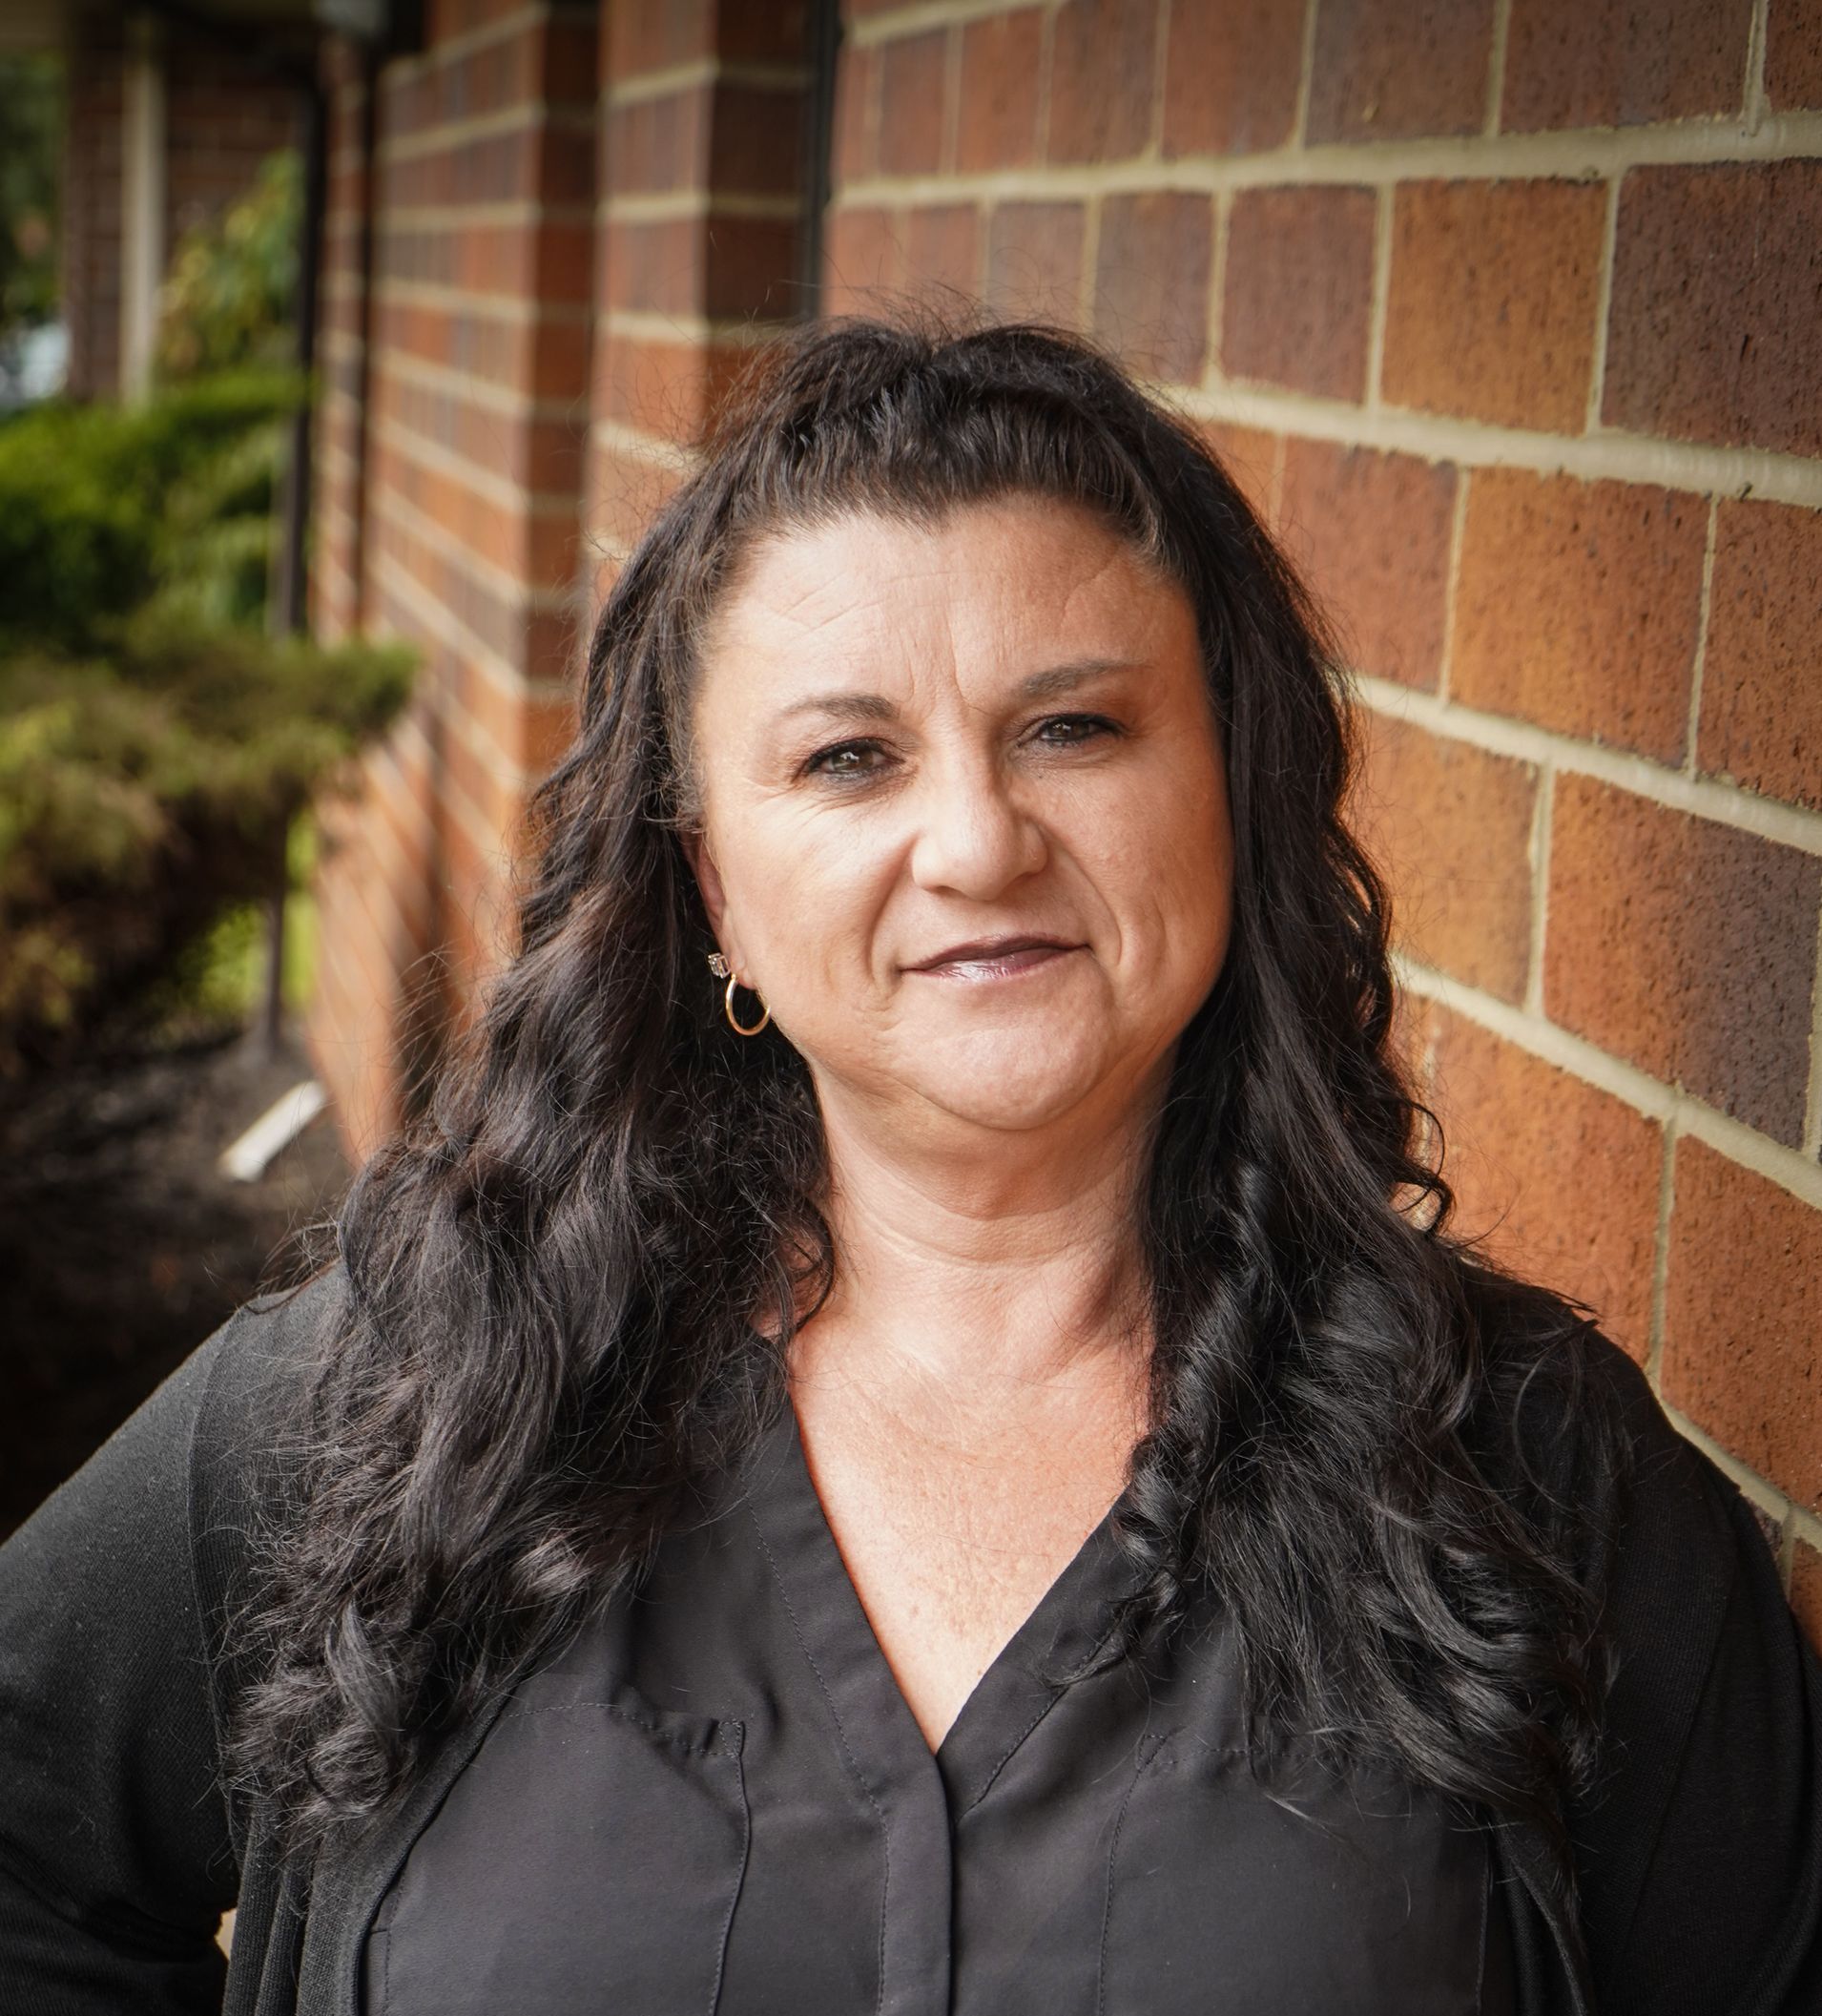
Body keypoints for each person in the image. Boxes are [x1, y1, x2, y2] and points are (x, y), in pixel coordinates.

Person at [2, 318, 1818, 2016]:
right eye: (849, 758)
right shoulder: (409, 1402)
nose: (973, 838)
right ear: (715, 888)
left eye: (1072, 727)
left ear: (1228, 790)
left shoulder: (1535, 1483)